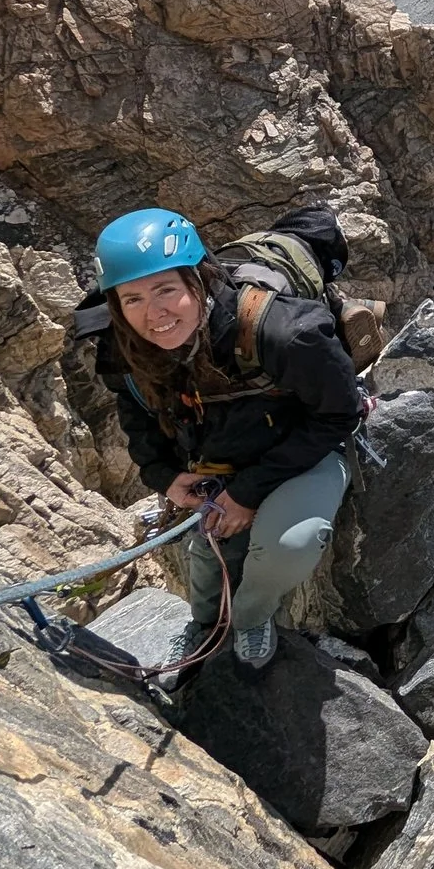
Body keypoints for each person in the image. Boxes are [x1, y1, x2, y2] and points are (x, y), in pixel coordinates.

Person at [87, 208, 363, 670]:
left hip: (306, 447)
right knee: (211, 549)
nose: (153, 314)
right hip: (221, 453)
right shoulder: (124, 345)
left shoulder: (285, 333)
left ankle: (253, 617)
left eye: (166, 290)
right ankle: (204, 623)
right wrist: (166, 475)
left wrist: (247, 492)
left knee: (290, 543)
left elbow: (338, 414)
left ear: (199, 278)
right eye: (131, 298)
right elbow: (135, 409)